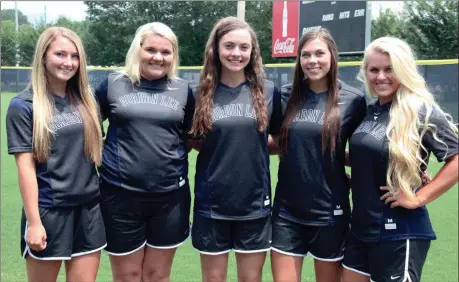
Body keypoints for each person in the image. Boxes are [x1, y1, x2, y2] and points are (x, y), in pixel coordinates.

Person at [342, 37, 458, 282]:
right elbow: (368, 154)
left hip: (399, 232)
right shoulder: (371, 110)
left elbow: (456, 159)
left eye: (389, 69)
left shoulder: (420, 110)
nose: (381, 76)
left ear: (403, 70)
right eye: (374, 70)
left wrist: (419, 198)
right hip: (360, 228)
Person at [95, 22, 194, 282]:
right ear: (137, 49)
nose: (158, 57)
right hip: (119, 195)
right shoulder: (113, 83)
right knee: (127, 275)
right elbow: (89, 126)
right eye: (151, 49)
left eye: (166, 52)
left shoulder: (183, 89)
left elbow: (189, 137)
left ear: (174, 56)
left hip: (170, 198)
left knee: (157, 275)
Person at [6, 27, 105, 282]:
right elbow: (25, 168)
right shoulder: (24, 105)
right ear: (43, 57)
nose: (68, 62)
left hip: (89, 210)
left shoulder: (87, 99)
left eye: (74, 56)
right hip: (50, 211)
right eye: (60, 54)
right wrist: (34, 222)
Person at [269, 28, 367, 282]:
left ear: (332, 56)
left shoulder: (354, 100)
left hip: (329, 210)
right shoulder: (284, 95)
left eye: (319, 53)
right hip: (287, 210)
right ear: (299, 59)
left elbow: (365, 149)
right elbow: (277, 141)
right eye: (306, 55)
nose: (312, 60)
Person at [189, 17, 282, 282]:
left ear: (253, 51)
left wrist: (252, 148)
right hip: (211, 204)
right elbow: (192, 140)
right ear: (216, 49)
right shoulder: (198, 94)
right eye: (229, 46)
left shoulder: (269, 91)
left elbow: (280, 140)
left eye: (244, 47)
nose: (236, 53)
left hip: (254, 204)